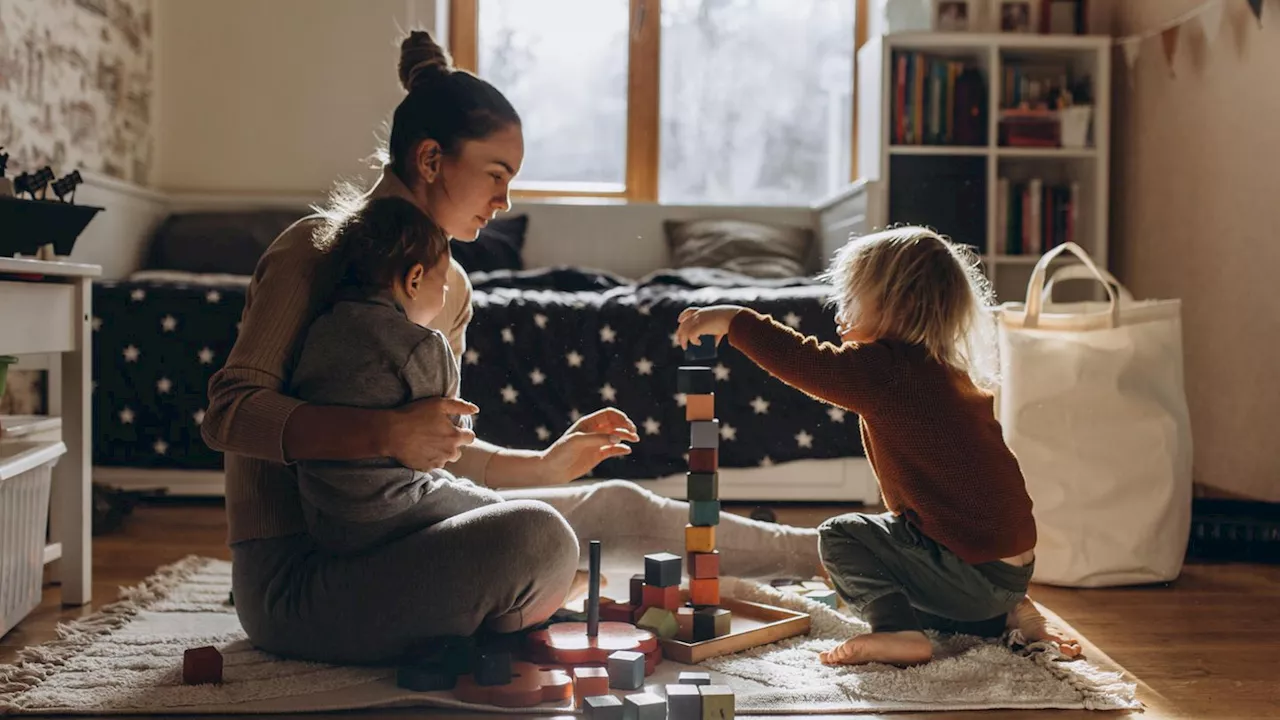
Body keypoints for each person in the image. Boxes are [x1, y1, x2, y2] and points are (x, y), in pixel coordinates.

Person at [201, 29, 821, 665]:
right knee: (536, 539)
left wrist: (545, 465)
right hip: (301, 578)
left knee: (611, 503)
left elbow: (434, 451)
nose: (504, 203)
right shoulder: (313, 249)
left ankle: (827, 553)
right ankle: (522, 605)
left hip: (405, 533)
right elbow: (229, 413)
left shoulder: (453, 287)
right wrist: (383, 434)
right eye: (496, 176)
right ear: (431, 160)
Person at [675, 227, 1082, 667]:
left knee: (841, 536)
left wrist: (735, 320)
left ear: (897, 304)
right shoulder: (944, 369)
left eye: (850, 300)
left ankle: (898, 632)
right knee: (895, 567)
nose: (838, 314)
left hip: (971, 568)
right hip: (1008, 569)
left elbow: (805, 361)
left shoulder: (888, 369)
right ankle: (1004, 614)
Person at [290, 195, 505, 555]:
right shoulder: (421, 344)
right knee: (504, 514)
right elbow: (451, 435)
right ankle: (546, 592)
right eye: (444, 284)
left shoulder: (319, 329)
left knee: (447, 487)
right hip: (394, 505)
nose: (446, 294)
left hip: (323, 516)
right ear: (415, 279)